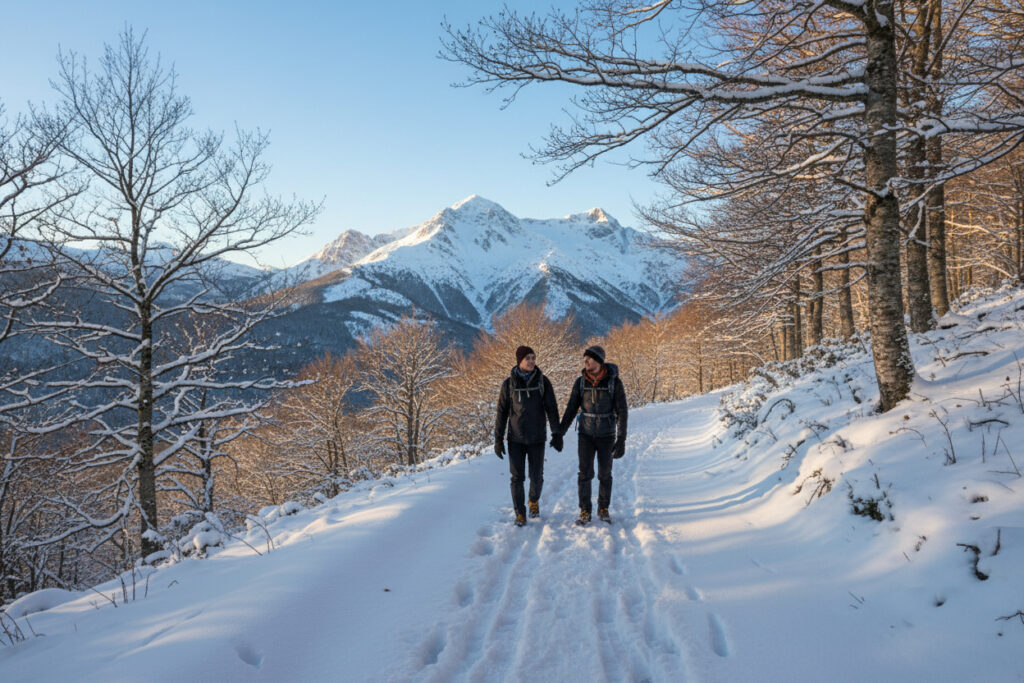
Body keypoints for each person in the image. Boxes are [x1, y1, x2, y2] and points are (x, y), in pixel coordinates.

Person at [495, 345, 563, 526]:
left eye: (533, 357)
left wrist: (557, 433)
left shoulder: (543, 382)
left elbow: (552, 409)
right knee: (517, 478)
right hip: (515, 439)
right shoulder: (509, 384)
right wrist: (498, 439)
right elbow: (502, 412)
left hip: (537, 438)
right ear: (520, 361)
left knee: (536, 476)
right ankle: (520, 513)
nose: (532, 361)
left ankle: (533, 501)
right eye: (528, 358)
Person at [559, 345, 628, 525]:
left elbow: (622, 411)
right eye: (585, 359)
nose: (586, 362)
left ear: (598, 361)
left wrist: (621, 439)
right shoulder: (580, 382)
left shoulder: (614, 382)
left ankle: (603, 508)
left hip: (607, 435)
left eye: (589, 359)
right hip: (586, 435)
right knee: (585, 473)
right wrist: (560, 432)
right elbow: (571, 409)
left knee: (605, 473)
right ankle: (585, 510)